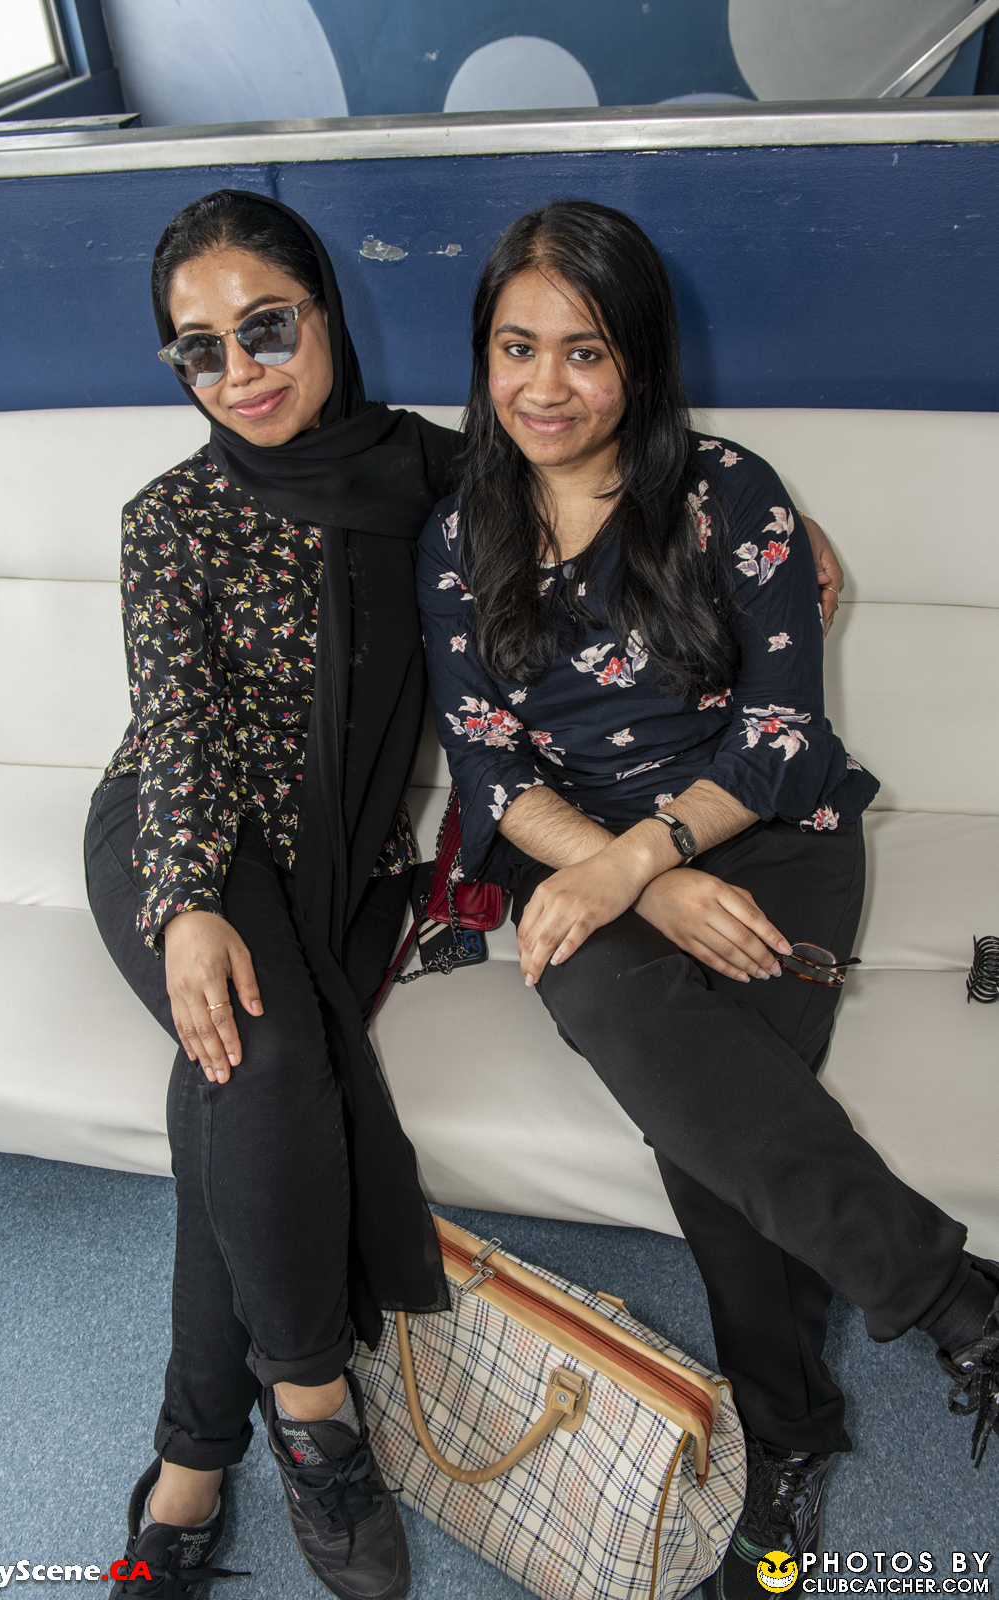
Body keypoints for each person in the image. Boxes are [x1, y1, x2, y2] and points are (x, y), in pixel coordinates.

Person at [417, 200, 999, 1597]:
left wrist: (652, 862)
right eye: (516, 346)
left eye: (586, 352)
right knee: (639, 1028)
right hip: (573, 851)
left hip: (769, 832)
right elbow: (489, 769)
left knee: (711, 1136)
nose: (546, 387)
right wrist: (622, 872)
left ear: (641, 359)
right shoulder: (456, 536)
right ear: (483, 353)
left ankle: (788, 1438)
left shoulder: (730, 494)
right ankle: (956, 1306)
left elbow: (784, 735)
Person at [84, 189, 460, 1600]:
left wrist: (763, 521)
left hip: (343, 863)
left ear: (326, 315)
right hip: (179, 833)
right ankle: (314, 1411)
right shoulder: (170, 517)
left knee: (230, 1086)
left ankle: (191, 1455)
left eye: (266, 328)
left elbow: (608, 479)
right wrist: (186, 900)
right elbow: (177, 724)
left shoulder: (433, 474)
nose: (238, 371)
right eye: (199, 349)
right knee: (266, 1048)